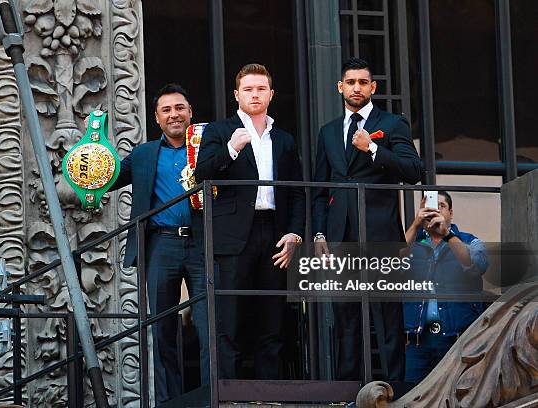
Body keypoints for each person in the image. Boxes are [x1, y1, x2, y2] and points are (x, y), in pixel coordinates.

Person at [312, 57, 422, 380]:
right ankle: (347, 394)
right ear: (340, 87)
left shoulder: (392, 123)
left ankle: (395, 395)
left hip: (380, 234)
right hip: (340, 237)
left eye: (363, 82)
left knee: (387, 320)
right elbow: (320, 189)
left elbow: (415, 171)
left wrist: (373, 149)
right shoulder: (328, 132)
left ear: (372, 87)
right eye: (350, 82)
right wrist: (319, 234)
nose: (356, 87)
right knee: (345, 320)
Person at [194, 63, 305, 379]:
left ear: (270, 94)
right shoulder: (219, 131)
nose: (254, 94)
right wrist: (231, 148)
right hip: (234, 234)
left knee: (272, 319)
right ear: (236, 95)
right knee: (230, 319)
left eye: (260, 89)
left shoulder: (283, 138)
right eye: (248, 89)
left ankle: (268, 393)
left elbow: (297, 192)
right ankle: (228, 393)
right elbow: (202, 175)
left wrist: (295, 231)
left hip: (274, 232)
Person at [108, 84, 208, 403]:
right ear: (156, 118)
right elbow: (107, 178)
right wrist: (88, 154)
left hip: (202, 245)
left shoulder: (207, 147)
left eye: (179, 108)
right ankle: (169, 402)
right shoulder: (144, 154)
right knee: (162, 329)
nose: (173, 114)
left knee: (208, 327)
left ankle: (210, 398)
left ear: (190, 112)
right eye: (166, 110)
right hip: (161, 246)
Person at [403, 191, 489, 383]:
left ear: (451, 213)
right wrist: (416, 223)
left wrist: (447, 235)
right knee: (413, 397)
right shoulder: (413, 244)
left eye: (441, 206)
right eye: (429, 205)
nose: (435, 210)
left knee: (458, 394)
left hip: (458, 339)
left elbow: (476, 266)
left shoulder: (469, 241)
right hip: (418, 341)